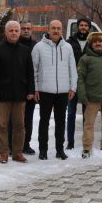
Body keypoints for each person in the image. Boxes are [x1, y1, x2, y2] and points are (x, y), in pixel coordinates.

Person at [0, 20, 35, 164]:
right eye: (11, 30)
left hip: (20, 93)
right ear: (6, 32)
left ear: (19, 32)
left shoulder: (25, 50)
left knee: (19, 125)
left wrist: (31, 90)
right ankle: (4, 152)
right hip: (2, 94)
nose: (14, 33)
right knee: (2, 125)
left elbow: (30, 72)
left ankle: (17, 153)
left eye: (16, 30)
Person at [32, 20, 77, 160]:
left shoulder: (68, 47)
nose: (56, 31)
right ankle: (43, 150)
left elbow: (72, 69)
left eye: (58, 28)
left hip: (63, 91)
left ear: (62, 30)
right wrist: (35, 89)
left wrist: (72, 87)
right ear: (48, 29)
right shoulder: (39, 47)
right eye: (53, 28)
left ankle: (60, 149)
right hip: (45, 90)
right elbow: (33, 70)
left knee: (61, 121)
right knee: (44, 121)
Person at [10, 20, 37, 155]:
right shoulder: (14, 44)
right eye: (23, 28)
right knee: (13, 119)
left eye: (28, 28)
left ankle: (26, 144)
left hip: (30, 88)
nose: (26, 30)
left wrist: (34, 89)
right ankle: (11, 145)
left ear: (32, 30)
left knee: (28, 119)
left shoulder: (36, 46)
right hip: (15, 88)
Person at [66, 18, 91, 149]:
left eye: (86, 25)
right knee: (71, 113)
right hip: (72, 82)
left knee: (87, 114)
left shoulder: (93, 41)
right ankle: (70, 142)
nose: (83, 27)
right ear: (77, 27)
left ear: (89, 28)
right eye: (81, 25)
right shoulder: (69, 42)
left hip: (88, 83)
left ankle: (86, 142)